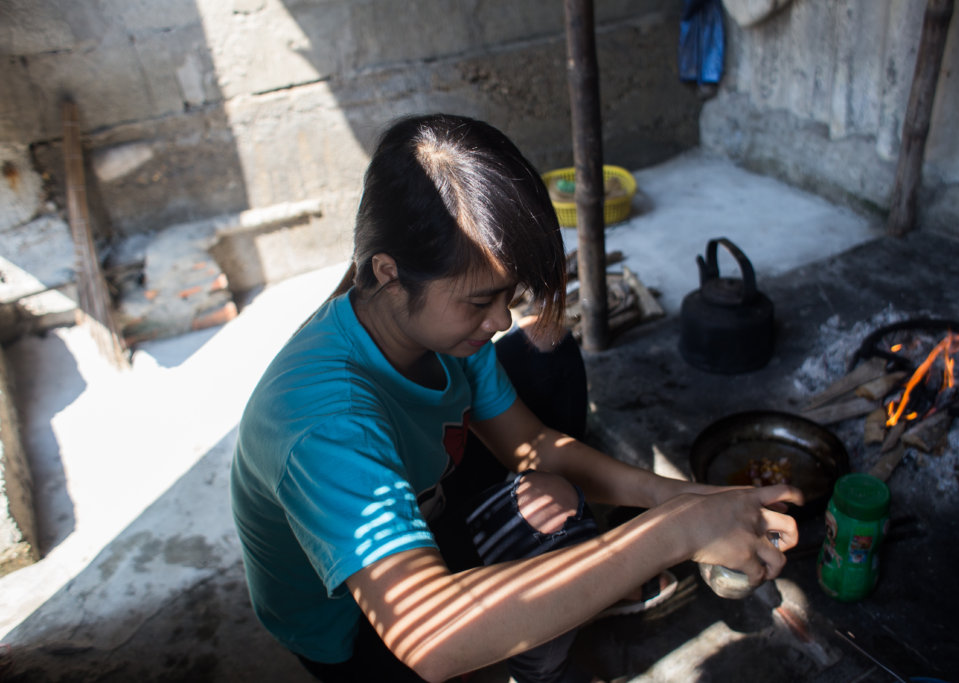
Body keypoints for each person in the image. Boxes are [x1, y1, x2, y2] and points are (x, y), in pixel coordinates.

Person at [230, 113, 803, 683]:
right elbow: (428, 636)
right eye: (480, 302)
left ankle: (542, 631)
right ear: (390, 273)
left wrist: (679, 498)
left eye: (506, 296)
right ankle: (531, 665)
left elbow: (531, 446)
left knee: (550, 463)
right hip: (356, 629)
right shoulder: (326, 421)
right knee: (525, 598)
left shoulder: (423, 323)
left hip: (428, 515)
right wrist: (672, 535)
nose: (501, 319)